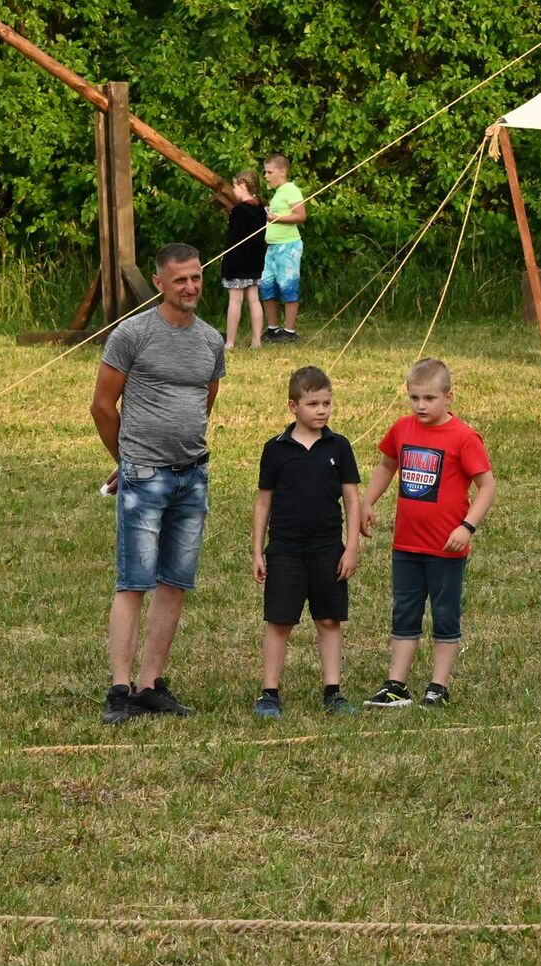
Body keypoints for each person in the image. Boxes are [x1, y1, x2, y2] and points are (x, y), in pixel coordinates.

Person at [92, 243, 225, 724]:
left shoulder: (211, 341)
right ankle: (119, 688)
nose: (190, 287)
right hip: (144, 476)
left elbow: (204, 401)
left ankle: (150, 684)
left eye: (196, 277)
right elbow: (102, 406)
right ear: (159, 283)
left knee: (175, 583)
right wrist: (127, 460)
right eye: (180, 279)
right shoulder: (132, 334)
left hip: (193, 477)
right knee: (134, 582)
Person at [360, 358, 497, 707]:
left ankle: (438, 687)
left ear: (449, 397)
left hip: (445, 549)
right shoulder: (401, 429)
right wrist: (367, 501)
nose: (421, 405)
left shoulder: (463, 437)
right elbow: (387, 465)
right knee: (404, 612)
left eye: (429, 398)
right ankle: (396, 685)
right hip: (407, 545)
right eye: (414, 397)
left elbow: (487, 486)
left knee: (444, 614)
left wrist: (467, 527)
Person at [251, 366, 362, 719]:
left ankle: (333, 691)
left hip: (328, 550)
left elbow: (352, 499)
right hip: (285, 550)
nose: (322, 410)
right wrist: (257, 550)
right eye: (313, 404)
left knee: (329, 620)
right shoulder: (275, 449)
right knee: (280, 621)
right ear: (293, 406)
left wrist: (351, 546)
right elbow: (263, 502)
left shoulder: (339, 446)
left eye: (327, 403)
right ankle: (269, 693)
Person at [259, 154, 306, 342]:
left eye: (269, 172)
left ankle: (289, 332)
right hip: (272, 248)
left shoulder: (291, 190)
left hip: (288, 246)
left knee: (288, 286)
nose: (266, 176)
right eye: (265, 172)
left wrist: (275, 218)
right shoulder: (278, 193)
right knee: (266, 285)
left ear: (283, 171)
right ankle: (273, 329)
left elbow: (301, 215)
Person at [222, 169, 266, 349]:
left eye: (234, 186)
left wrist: (227, 262)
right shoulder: (260, 209)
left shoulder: (239, 210)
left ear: (243, 185)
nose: (233, 190)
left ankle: (230, 342)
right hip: (255, 260)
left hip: (238, 261)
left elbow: (233, 239)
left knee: (235, 300)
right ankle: (256, 341)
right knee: (254, 299)